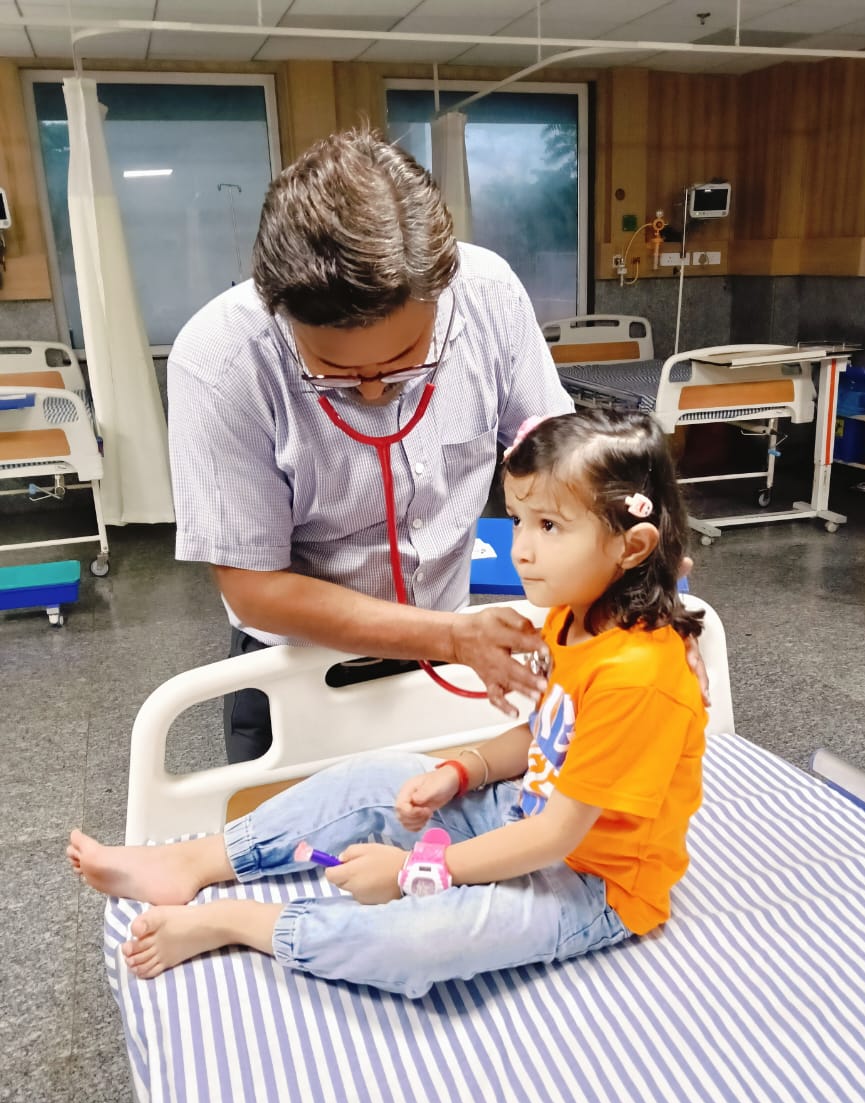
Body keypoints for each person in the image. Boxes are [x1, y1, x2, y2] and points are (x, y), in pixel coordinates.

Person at [70, 408, 708, 999]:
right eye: (518, 519)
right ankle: (197, 860)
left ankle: (242, 923)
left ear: (631, 547)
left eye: (549, 526)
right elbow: (546, 737)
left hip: (592, 882)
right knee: (377, 777)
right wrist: (462, 771)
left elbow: (555, 836)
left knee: (427, 938)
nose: (521, 548)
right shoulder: (575, 618)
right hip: (521, 815)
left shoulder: (636, 675)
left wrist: (414, 871)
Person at [166, 126, 574, 762]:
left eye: (406, 357)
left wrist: (632, 570)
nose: (376, 390)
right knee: (296, 825)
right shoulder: (221, 361)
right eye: (336, 370)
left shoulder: (487, 296)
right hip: (301, 670)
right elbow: (254, 588)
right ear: (281, 311)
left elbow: (558, 455)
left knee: (458, 809)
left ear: (440, 293)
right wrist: (451, 636)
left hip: (455, 648)